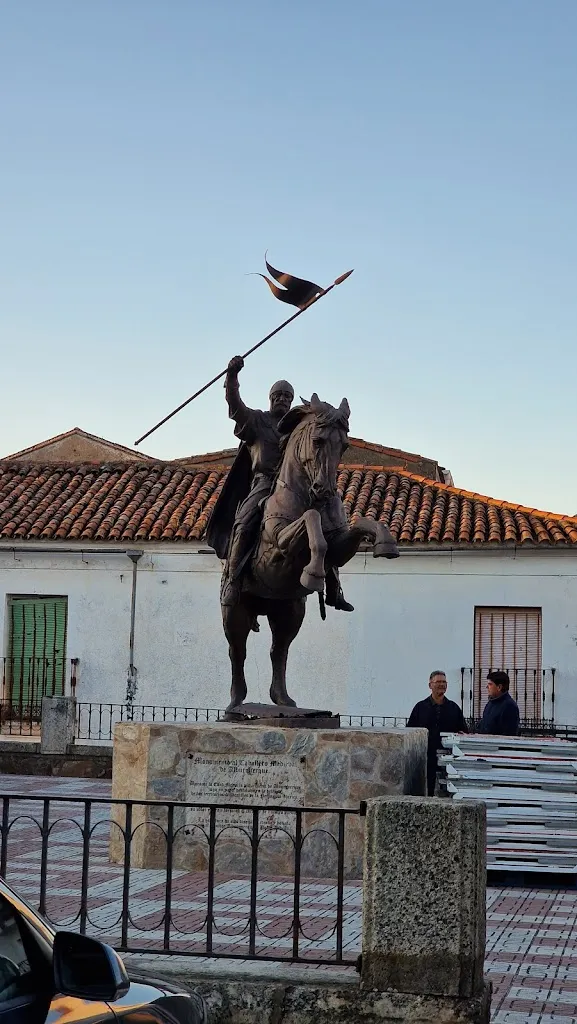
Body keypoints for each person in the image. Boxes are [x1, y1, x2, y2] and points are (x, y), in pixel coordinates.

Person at [206, 355, 353, 611]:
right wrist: (232, 377)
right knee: (243, 521)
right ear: (270, 398)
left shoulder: (297, 428)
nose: (282, 399)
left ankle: (333, 586)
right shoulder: (257, 420)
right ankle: (232, 579)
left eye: (287, 396)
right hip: (264, 483)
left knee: (328, 523)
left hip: (299, 487)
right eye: (278, 395)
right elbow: (235, 406)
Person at [407, 671, 469, 796]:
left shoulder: (454, 708)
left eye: (444, 682)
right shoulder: (420, 708)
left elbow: (463, 732)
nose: (442, 685)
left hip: (448, 758)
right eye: (438, 682)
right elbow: (411, 732)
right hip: (425, 757)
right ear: (430, 685)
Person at [479, 671, 520, 736]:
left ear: (499, 687)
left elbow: (509, 735)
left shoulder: (510, 706)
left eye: (490, 684)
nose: (487, 687)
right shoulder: (490, 703)